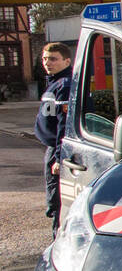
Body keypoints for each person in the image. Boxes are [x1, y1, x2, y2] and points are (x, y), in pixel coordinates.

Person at [35, 42, 74, 236]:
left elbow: (64, 124)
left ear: (67, 61)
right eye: (45, 59)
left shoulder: (65, 84)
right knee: (53, 200)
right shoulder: (55, 82)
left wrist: (59, 157)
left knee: (57, 201)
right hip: (50, 148)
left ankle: (57, 241)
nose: (47, 63)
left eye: (53, 59)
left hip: (57, 151)